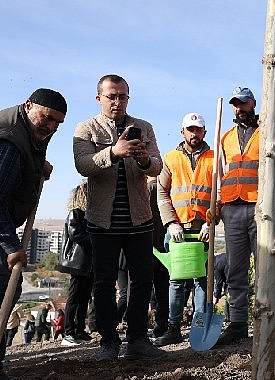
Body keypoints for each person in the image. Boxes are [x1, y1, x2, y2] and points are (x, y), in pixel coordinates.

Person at [73, 74, 166, 361]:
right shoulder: (86, 128)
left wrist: (142, 160)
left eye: (122, 96)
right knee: (103, 282)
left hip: (139, 219)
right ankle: (108, 342)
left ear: (128, 97)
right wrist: (113, 153)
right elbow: (83, 165)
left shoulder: (144, 127)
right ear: (99, 97)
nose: (117, 101)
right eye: (111, 96)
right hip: (102, 220)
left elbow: (157, 166)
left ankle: (138, 339)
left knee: (142, 279)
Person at [0, 88, 66, 378]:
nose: (52, 126)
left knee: (6, 287)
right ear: (28, 105)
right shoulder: (7, 141)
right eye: (47, 118)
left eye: (58, 123)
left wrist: (34, 166)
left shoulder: (27, 131)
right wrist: (10, 245)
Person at [213, 86, 275, 345]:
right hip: (232, 209)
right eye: (236, 104)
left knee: (265, 268)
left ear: (254, 104)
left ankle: (268, 319)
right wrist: (217, 202)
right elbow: (220, 172)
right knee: (235, 269)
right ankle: (237, 324)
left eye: (244, 103)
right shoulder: (225, 137)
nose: (239, 108)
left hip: (261, 208)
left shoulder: (269, 132)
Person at [153, 112, 213, 347]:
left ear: (204, 132)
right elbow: (161, 193)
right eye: (190, 129)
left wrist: (212, 221)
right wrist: (170, 222)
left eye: (198, 129)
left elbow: (219, 193)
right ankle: (173, 328)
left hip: (202, 228)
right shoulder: (170, 159)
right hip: (177, 229)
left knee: (201, 280)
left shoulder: (214, 157)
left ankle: (199, 327)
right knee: (176, 281)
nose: (194, 133)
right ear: (183, 132)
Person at [59, 181, 94, 346]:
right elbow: (75, 235)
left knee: (84, 298)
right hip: (78, 263)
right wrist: (96, 240)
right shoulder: (75, 213)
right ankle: (68, 332)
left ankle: (80, 330)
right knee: (74, 298)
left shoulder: (88, 215)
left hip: (87, 264)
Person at [147, 176, 170, 340]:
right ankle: (162, 326)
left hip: (147, 246)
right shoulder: (166, 191)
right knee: (163, 290)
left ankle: (139, 329)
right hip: (166, 247)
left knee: (142, 290)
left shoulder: (147, 190)